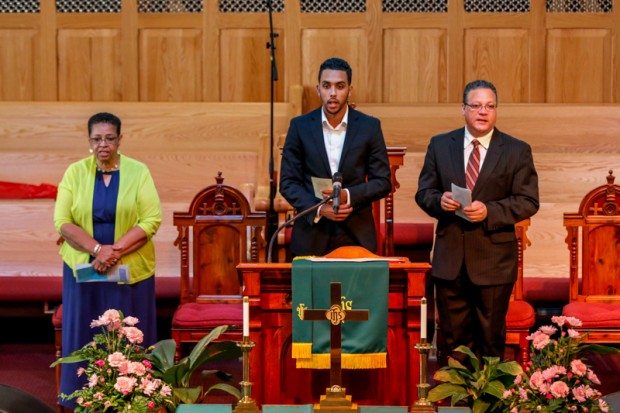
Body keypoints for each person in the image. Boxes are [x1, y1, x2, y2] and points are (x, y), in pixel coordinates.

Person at [415, 80, 539, 360]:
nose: (483, 112)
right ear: (463, 108)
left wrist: (490, 211)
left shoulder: (517, 150)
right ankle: (457, 391)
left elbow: (528, 200)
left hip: (493, 262)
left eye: (490, 106)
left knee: (490, 342)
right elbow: (424, 193)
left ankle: (489, 390)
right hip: (450, 261)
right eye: (476, 105)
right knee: (453, 343)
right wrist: (440, 201)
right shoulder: (440, 145)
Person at [53, 112, 162, 408]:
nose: (103, 144)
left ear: (120, 139)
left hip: (130, 266)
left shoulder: (138, 172)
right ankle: (82, 399)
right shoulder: (74, 172)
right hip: (84, 266)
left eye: (110, 138)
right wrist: (98, 250)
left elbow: (151, 219)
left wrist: (113, 252)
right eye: (97, 138)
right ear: (89, 141)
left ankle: (134, 399)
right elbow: (62, 221)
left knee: (128, 333)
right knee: (85, 332)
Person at [279, 57, 392, 257]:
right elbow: (288, 183)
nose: (333, 93)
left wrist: (348, 195)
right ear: (318, 89)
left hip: (356, 232)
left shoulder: (370, 127)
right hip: (312, 233)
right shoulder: (299, 127)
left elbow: (382, 182)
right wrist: (320, 209)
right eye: (326, 86)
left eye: (340, 86)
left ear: (350, 89)